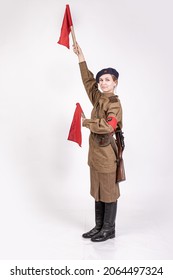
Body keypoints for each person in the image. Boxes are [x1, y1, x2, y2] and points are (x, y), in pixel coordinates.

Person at [73, 43, 123, 242]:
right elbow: (87, 82)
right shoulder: (99, 99)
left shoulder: (114, 104)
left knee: (109, 192)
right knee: (98, 190)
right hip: (95, 153)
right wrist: (81, 57)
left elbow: (108, 126)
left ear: (115, 82)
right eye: (101, 80)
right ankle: (99, 226)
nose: (102, 83)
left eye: (107, 80)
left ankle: (109, 229)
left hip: (107, 154)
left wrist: (86, 122)